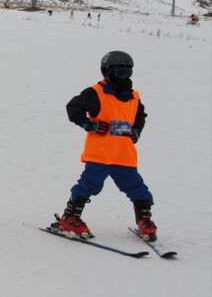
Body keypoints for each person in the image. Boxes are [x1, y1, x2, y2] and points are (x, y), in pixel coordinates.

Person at [56, 51, 158, 241]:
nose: (125, 78)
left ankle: (144, 220)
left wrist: (137, 131)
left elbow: (140, 116)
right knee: (88, 185)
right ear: (108, 72)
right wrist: (89, 124)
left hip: (124, 155)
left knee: (137, 187)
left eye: (128, 73)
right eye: (120, 73)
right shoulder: (95, 93)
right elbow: (73, 107)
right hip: (100, 154)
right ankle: (70, 217)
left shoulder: (133, 97)